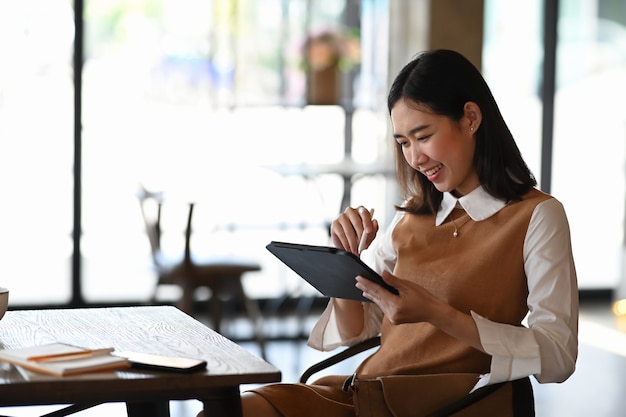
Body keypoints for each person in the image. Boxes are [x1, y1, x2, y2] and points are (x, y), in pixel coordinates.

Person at [197, 49, 579, 417]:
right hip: (369, 392)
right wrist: (345, 267)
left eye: (424, 136)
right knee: (228, 410)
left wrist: (437, 313)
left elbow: (558, 355)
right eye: (403, 142)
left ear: (471, 118)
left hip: (444, 404)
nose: (414, 158)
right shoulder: (410, 218)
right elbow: (358, 331)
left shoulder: (537, 217)